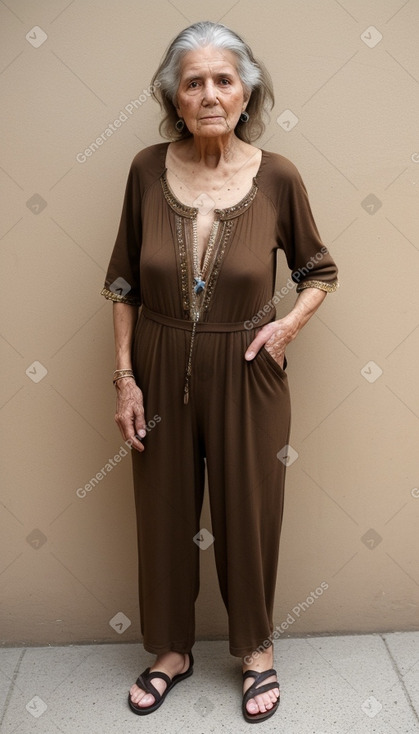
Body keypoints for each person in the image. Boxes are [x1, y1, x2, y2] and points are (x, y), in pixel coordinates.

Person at [101, 20, 338, 724]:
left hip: (247, 368)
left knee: (248, 513)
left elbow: (317, 270)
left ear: (246, 92)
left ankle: (256, 652)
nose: (209, 93)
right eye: (193, 81)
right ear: (175, 96)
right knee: (163, 514)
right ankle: (170, 651)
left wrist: (286, 325)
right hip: (158, 358)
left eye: (222, 80)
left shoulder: (278, 175)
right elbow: (121, 284)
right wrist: (125, 378)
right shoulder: (146, 169)